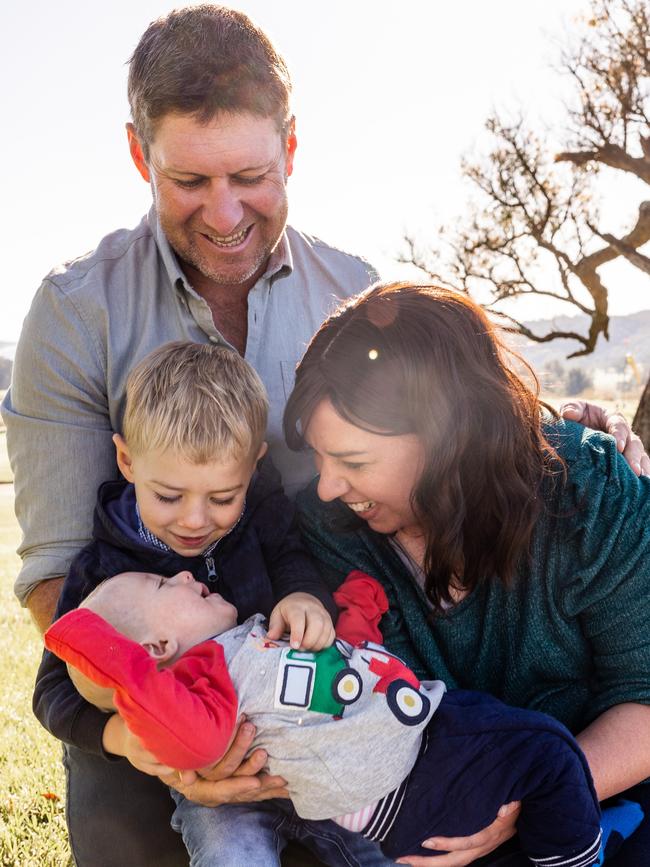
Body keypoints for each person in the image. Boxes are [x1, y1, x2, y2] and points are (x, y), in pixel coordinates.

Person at [2, 3, 644, 863]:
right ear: (138, 155)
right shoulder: (77, 314)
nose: (224, 212)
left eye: (250, 176)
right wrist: (150, 727)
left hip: (310, 660)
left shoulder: (356, 292)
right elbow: (58, 578)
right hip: (145, 684)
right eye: (189, 181)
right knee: (135, 829)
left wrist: (565, 430)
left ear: (292, 147)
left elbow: (453, 411)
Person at [283, 282, 650, 866]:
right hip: (429, 818)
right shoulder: (328, 530)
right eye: (319, 458)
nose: (327, 486)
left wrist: (530, 800)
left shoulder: (591, 494)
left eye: (353, 463)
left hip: (607, 798)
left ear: (447, 438)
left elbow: (645, 697)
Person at [35, 340, 399, 867]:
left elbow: (293, 560)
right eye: (168, 496)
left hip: (303, 745)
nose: (194, 520)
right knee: (229, 848)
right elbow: (53, 688)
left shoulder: (263, 517)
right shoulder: (103, 570)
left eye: (224, 498)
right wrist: (121, 737)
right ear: (127, 461)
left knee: (374, 845)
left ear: (254, 467)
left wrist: (304, 598)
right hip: (204, 778)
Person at [45, 569, 607, 867]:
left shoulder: (239, 644)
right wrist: (120, 665)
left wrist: (356, 616)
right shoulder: (203, 688)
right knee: (549, 753)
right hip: (408, 776)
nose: (186, 576)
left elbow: (322, 682)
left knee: (533, 750)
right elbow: (190, 741)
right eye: (167, 585)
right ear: (156, 647)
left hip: (418, 729)